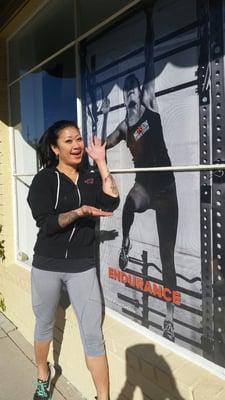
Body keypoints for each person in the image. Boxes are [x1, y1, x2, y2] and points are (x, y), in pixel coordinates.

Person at [27, 120, 119, 400]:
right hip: (47, 264)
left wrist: (101, 162)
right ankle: (43, 374)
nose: (77, 145)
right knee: (44, 323)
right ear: (55, 149)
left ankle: (102, 397)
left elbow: (111, 201)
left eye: (78, 139)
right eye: (68, 141)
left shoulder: (90, 176)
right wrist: (79, 212)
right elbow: (46, 223)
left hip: (81, 266)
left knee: (93, 333)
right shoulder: (44, 180)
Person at [101, 7, 178, 341]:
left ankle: (169, 317)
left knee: (167, 255)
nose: (132, 92)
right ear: (123, 96)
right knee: (129, 203)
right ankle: (127, 240)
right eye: (128, 89)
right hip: (145, 188)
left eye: (134, 88)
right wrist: (100, 131)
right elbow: (103, 144)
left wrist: (148, 22)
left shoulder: (150, 102)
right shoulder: (123, 125)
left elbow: (149, 61)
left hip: (168, 190)